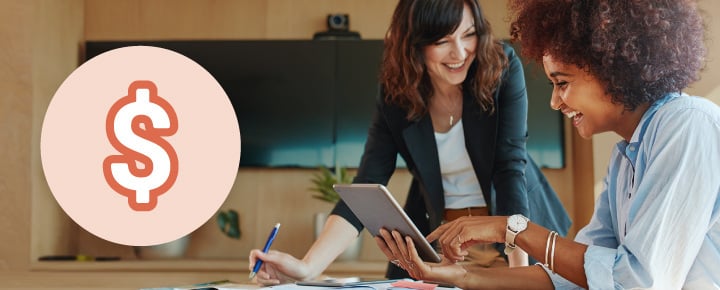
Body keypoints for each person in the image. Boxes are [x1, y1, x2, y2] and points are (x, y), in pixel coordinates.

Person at [376, 0, 720, 289]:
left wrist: (510, 227)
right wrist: (459, 276)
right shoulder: (624, 159)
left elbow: (635, 281)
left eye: (562, 83)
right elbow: (574, 276)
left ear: (612, 69)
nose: (555, 102)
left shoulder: (687, 124)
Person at [248, 0, 570, 284]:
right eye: (443, 40)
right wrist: (306, 267)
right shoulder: (396, 94)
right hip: (443, 244)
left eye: (468, 34)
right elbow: (368, 184)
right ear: (415, 44)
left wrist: (517, 275)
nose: (460, 52)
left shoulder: (501, 67)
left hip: (514, 236)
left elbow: (509, 167)